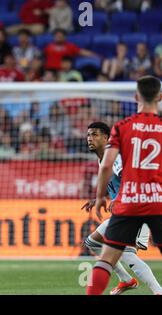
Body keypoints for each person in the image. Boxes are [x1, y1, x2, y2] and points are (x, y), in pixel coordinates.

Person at [87, 76, 162, 295]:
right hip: (155, 199)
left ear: (136, 96)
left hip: (131, 203)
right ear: (159, 97)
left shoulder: (123, 127)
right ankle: (128, 281)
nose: (90, 138)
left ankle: (158, 290)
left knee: (112, 256)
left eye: (94, 135)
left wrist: (104, 197)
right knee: (92, 243)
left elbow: (109, 166)